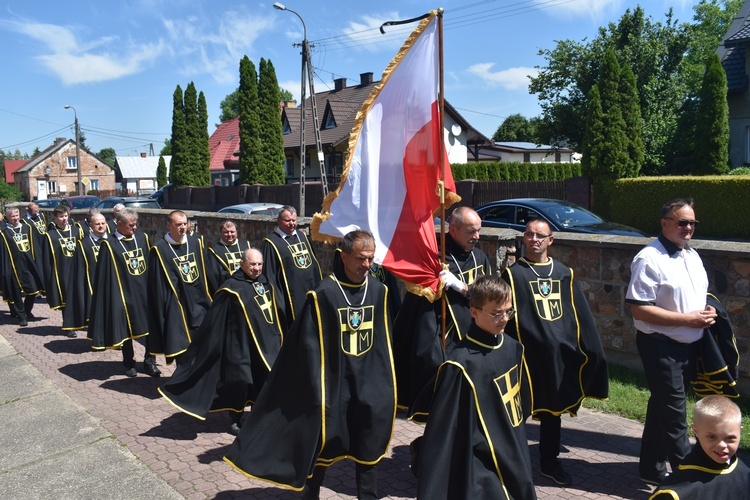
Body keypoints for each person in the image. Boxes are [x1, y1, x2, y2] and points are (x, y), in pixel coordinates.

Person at [224, 231, 396, 500]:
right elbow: (305, 348)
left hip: (367, 386)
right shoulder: (322, 294)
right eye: (361, 258)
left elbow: (384, 343)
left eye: (371, 259)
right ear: (344, 256)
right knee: (322, 447)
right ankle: (310, 494)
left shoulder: (379, 291)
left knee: (368, 446)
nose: (367, 265)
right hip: (332, 386)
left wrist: (384, 387)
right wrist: (315, 391)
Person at [502, 218, 608, 486]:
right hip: (525, 358)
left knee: (553, 411)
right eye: (528, 234)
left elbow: (577, 315)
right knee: (516, 409)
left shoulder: (564, 273)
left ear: (551, 240)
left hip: (556, 358)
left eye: (540, 235)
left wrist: (586, 349)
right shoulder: (513, 275)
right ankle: (507, 461)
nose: (534, 239)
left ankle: (549, 462)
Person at [413, 275, 536, 499]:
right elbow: (443, 432)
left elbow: (522, 406)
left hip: (512, 445)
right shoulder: (460, 365)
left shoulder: (513, 348)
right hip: (479, 460)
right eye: (496, 313)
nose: (504, 319)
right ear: (474, 312)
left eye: (509, 311)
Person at [626, 198, 717, 486]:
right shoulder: (648, 259)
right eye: (683, 222)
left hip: (689, 345)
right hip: (660, 345)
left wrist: (708, 310)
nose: (689, 228)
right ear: (665, 223)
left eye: (693, 223)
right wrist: (686, 320)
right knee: (676, 415)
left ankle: (651, 467)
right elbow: (639, 308)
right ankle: (688, 482)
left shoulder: (691, 255)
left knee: (663, 406)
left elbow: (698, 295)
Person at [159, 248, 285, 435]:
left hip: (264, 342)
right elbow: (216, 319)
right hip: (239, 344)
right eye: (252, 264)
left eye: (259, 264)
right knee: (240, 380)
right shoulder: (231, 288)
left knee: (264, 377)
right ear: (242, 264)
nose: (257, 268)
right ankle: (235, 418)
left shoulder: (265, 283)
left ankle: (260, 416)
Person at [393, 206, 491, 410]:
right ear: (453, 230)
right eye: (470, 231)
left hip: (474, 333)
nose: (476, 236)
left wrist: (462, 287)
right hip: (445, 337)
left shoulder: (479, 256)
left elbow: (491, 294)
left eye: (478, 230)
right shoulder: (435, 259)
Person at [88, 208, 160, 377]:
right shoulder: (109, 244)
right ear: (119, 224)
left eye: (135, 225)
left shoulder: (143, 238)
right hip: (123, 294)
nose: (134, 228)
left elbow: (150, 264)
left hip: (144, 293)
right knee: (126, 329)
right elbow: (105, 274)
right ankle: (129, 362)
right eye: (131, 225)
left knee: (150, 328)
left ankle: (150, 362)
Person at [650, 395, 749, 499]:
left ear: (740, 431)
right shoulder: (676, 492)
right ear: (696, 431)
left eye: (730, 438)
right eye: (712, 437)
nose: (721, 445)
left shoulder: (744, 473)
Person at [148, 210, 212, 365]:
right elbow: (156, 284)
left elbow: (207, 271)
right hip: (176, 304)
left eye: (185, 223)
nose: (183, 227)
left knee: (202, 345)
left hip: (198, 301)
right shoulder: (159, 249)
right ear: (169, 225)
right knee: (181, 346)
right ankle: (181, 381)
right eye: (178, 224)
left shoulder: (196, 242)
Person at [261, 205, 322, 326]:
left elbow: (313, 264)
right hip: (289, 295)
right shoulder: (271, 243)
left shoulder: (302, 236)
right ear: (278, 220)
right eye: (287, 220)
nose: (292, 224)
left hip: (309, 288)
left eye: (294, 220)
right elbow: (270, 274)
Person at [62, 212, 107, 333]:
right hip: (92, 283)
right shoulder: (83, 244)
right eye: (97, 224)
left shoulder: (112, 241)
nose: (101, 226)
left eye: (103, 223)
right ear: (91, 225)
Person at [0, 207, 44, 326]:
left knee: (33, 290)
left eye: (16, 215)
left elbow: (34, 246)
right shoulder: (4, 232)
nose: (15, 218)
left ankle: (27, 310)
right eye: (12, 216)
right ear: (7, 218)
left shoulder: (27, 228)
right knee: (16, 293)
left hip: (28, 264)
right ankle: (22, 316)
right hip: (13, 266)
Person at [40, 204, 79, 337]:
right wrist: (49, 277)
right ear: (55, 218)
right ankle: (68, 327)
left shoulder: (76, 231)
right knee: (65, 300)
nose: (64, 219)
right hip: (61, 272)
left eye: (66, 216)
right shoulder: (50, 236)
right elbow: (46, 259)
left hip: (77, 271)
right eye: (61, 216)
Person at [205, 220, 251, 294]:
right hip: (229, 288)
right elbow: (215, 274)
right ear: (221, 233)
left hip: (247, 286)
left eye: (232, 232)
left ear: (237, 231)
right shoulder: (214, 251)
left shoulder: (246, 245)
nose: (230, 235)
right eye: (226, 232)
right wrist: (230, 274)